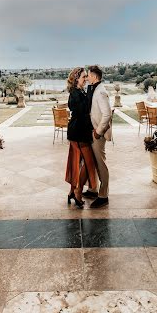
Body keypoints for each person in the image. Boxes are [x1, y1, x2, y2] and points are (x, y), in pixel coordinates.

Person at [65, 67, 97, 208]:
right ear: (76, 79)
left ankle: (72, 191)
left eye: (86, 77)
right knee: (90, 162)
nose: (86, 79)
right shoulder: (75, 93)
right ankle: (78, 191)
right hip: (78, 132)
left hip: (78, 131)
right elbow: (84, 111)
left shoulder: (79, 91)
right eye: (84, 77)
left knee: (77, 162)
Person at [86, 65, 112, 208]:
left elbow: (107, 114)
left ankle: (103, 196)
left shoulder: (101, 92)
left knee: (101, 164)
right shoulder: (94, 89)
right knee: (94, 162)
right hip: (92, 131)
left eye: (88, 75)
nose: (87, 77)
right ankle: (93, 189)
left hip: (98, 134)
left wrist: (98, 131)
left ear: (94, 76)